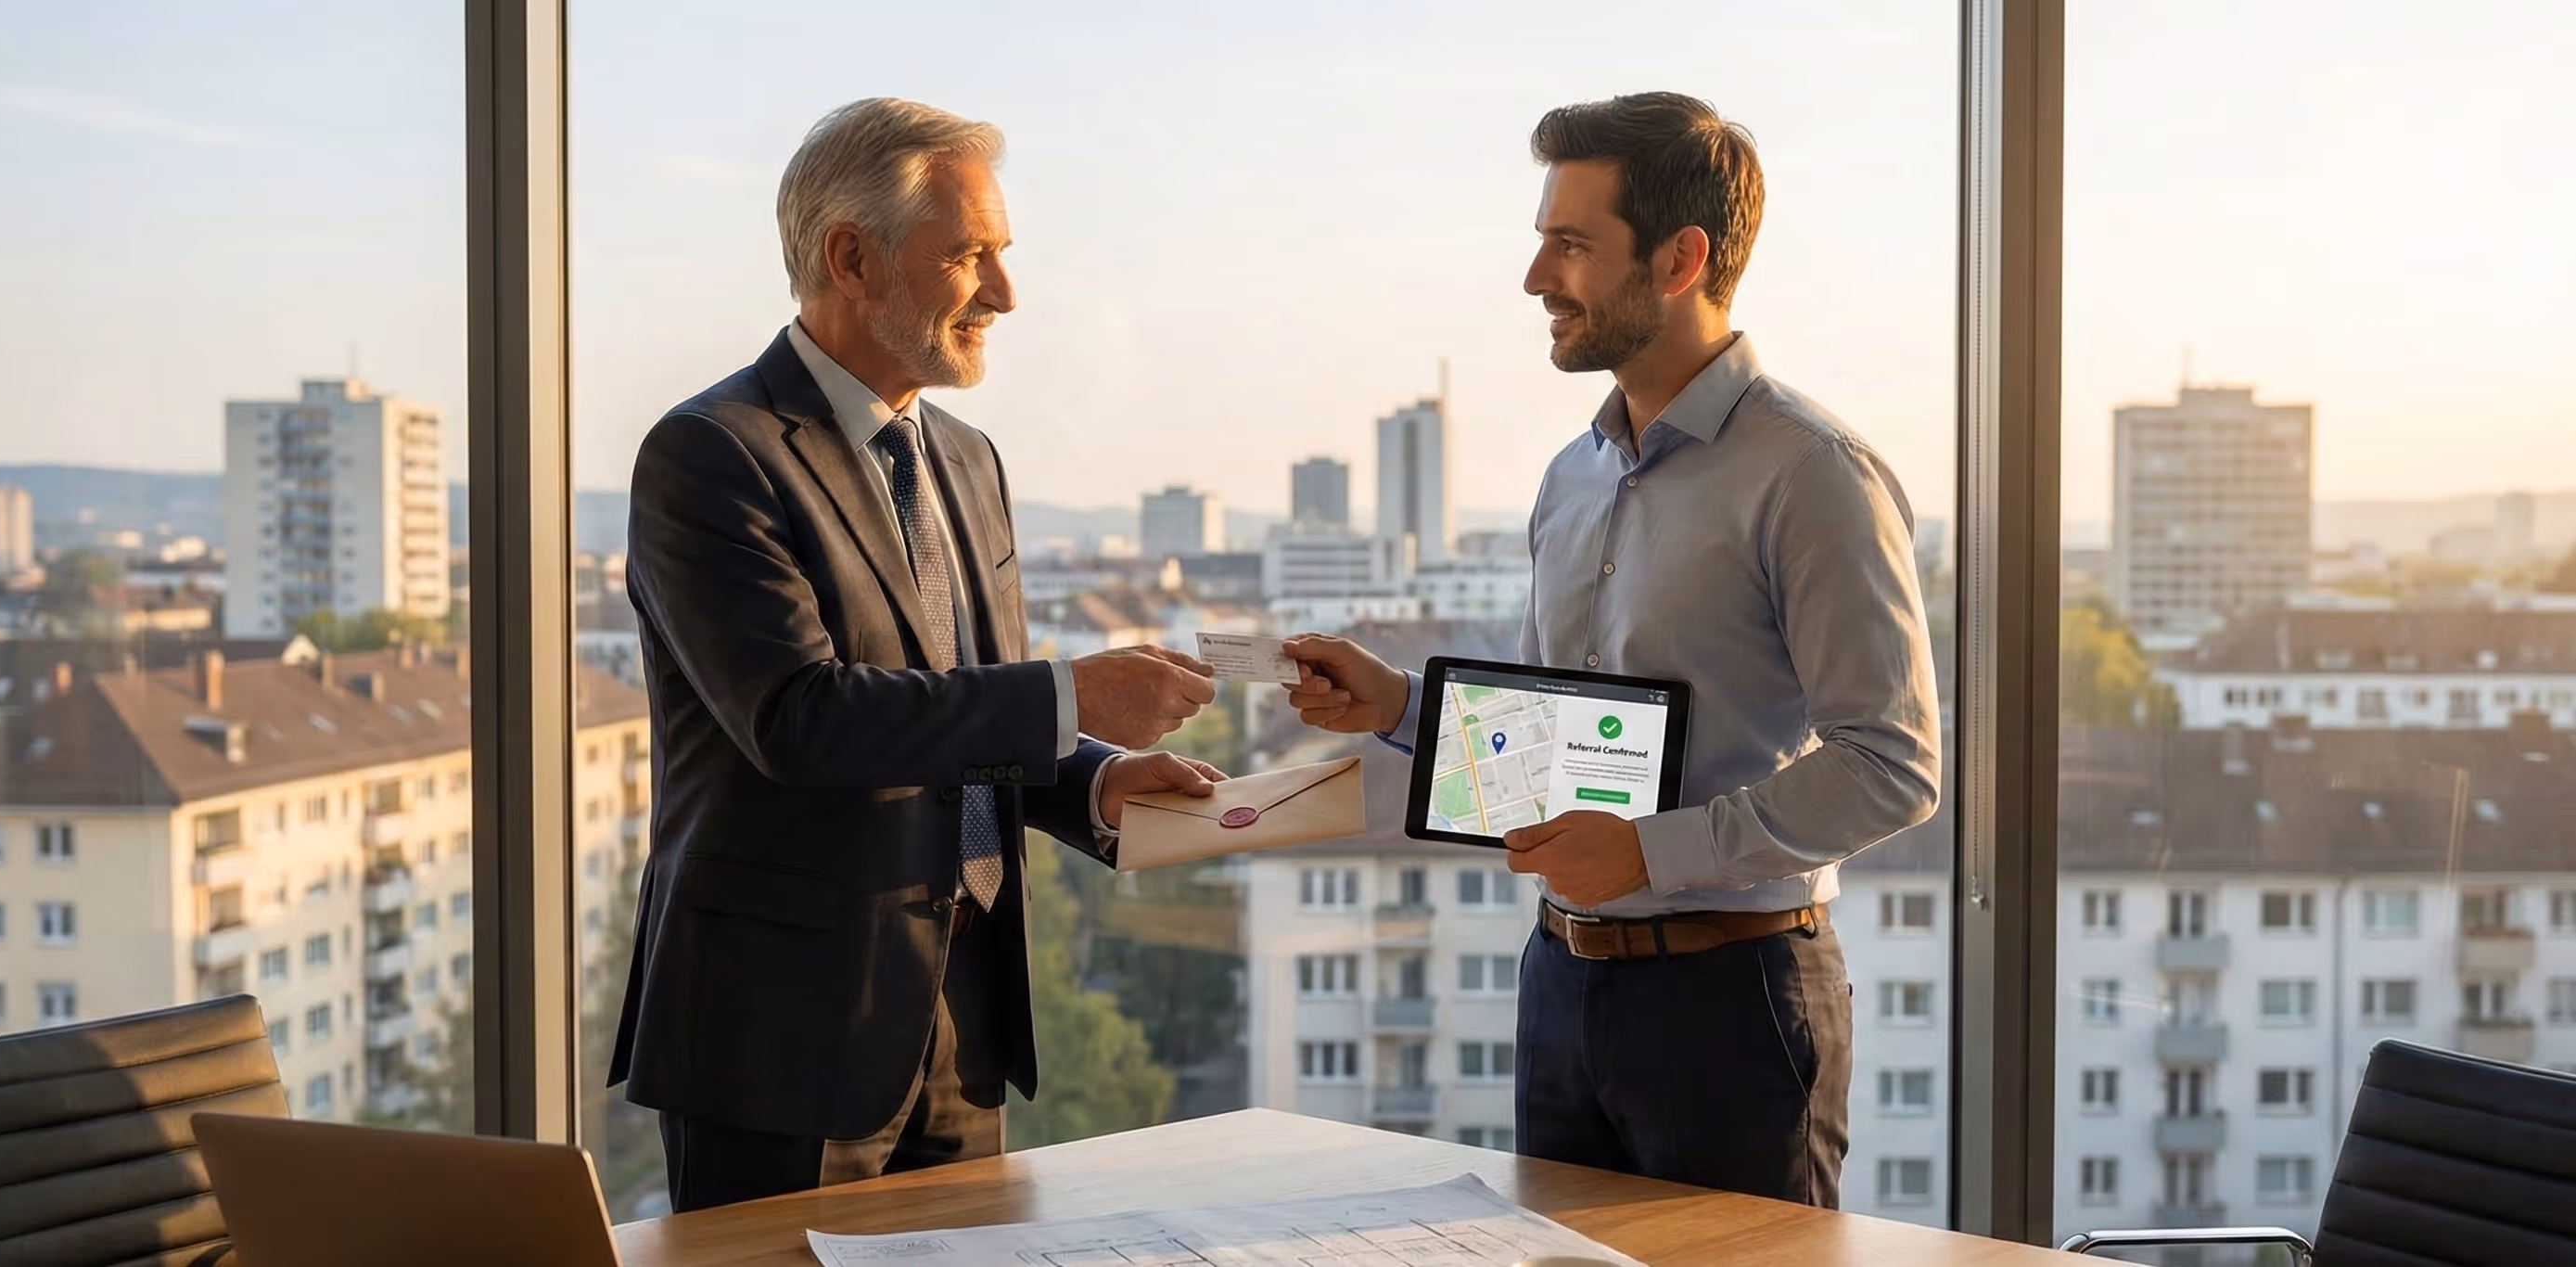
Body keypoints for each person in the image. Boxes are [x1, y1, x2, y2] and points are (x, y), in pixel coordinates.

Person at [1284, 92, 1940, 1206]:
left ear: (1680, 259)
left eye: (1569, 244)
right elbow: (1561, 745)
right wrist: (1397, 701)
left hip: (1734, 1002)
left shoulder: (1811, 473)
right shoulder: (1571, 475)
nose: (1536, 278)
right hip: (1560, 985)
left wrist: (1650, 852)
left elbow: (1893, 765)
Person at [610, 97, 1224, 1213]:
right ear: (851, 257)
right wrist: (1073, 693)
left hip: (963, 1021)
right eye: (970, 255)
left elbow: (961, 708)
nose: (1004, 293)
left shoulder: (968, 458)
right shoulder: (710, 456)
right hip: (779, 1039)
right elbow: (800, 718)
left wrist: (1092, 775)